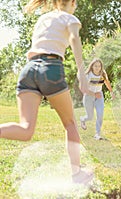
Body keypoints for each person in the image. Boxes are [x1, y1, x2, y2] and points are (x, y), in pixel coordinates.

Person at [0, 0, 94, 184]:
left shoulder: (43, 18)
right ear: (73, 3)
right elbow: (74, 39)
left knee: (26, 130)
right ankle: (77, 174)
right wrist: (82, 73)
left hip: (28, 70)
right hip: (50, 68)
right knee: (70, 124)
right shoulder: (70, 18)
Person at [80, 58, 115, 140]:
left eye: (99, 66)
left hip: (99, 96)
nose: (97, 68)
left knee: (100, 114)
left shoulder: (103, 74)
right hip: (89, 96)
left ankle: (97, 134)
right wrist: (94, 94)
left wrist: (111, 92)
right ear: (92, 66)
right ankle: (83, 119)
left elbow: (107, 82)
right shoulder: (88, 75)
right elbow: (84, 89)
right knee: (90, 116)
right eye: (95, 66)